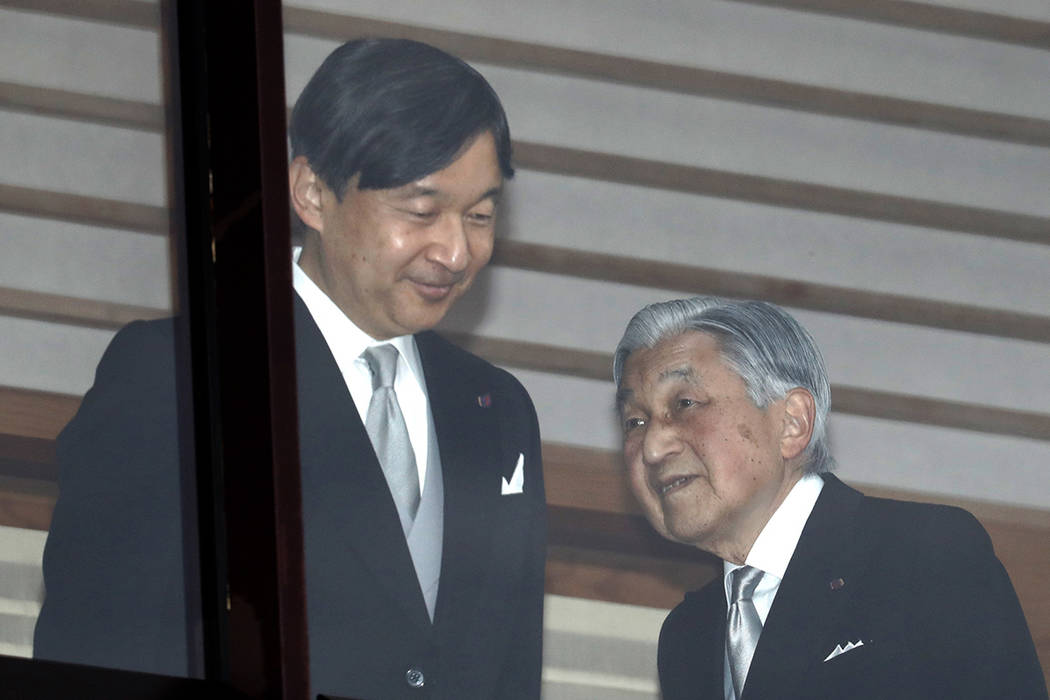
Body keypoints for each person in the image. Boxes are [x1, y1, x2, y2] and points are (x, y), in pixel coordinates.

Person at [35, 38, 547, 699]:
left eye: (480, 215)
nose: (455, 250)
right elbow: (96, 655)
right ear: (311, 192)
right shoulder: (184, 378)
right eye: (422, 212)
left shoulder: (498, 410)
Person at [613, 296, 1046, 700]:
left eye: (685, 403)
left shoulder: (922, 553)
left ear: (791, 423)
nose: (653, 447)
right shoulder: (688, 635)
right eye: (635, 421)